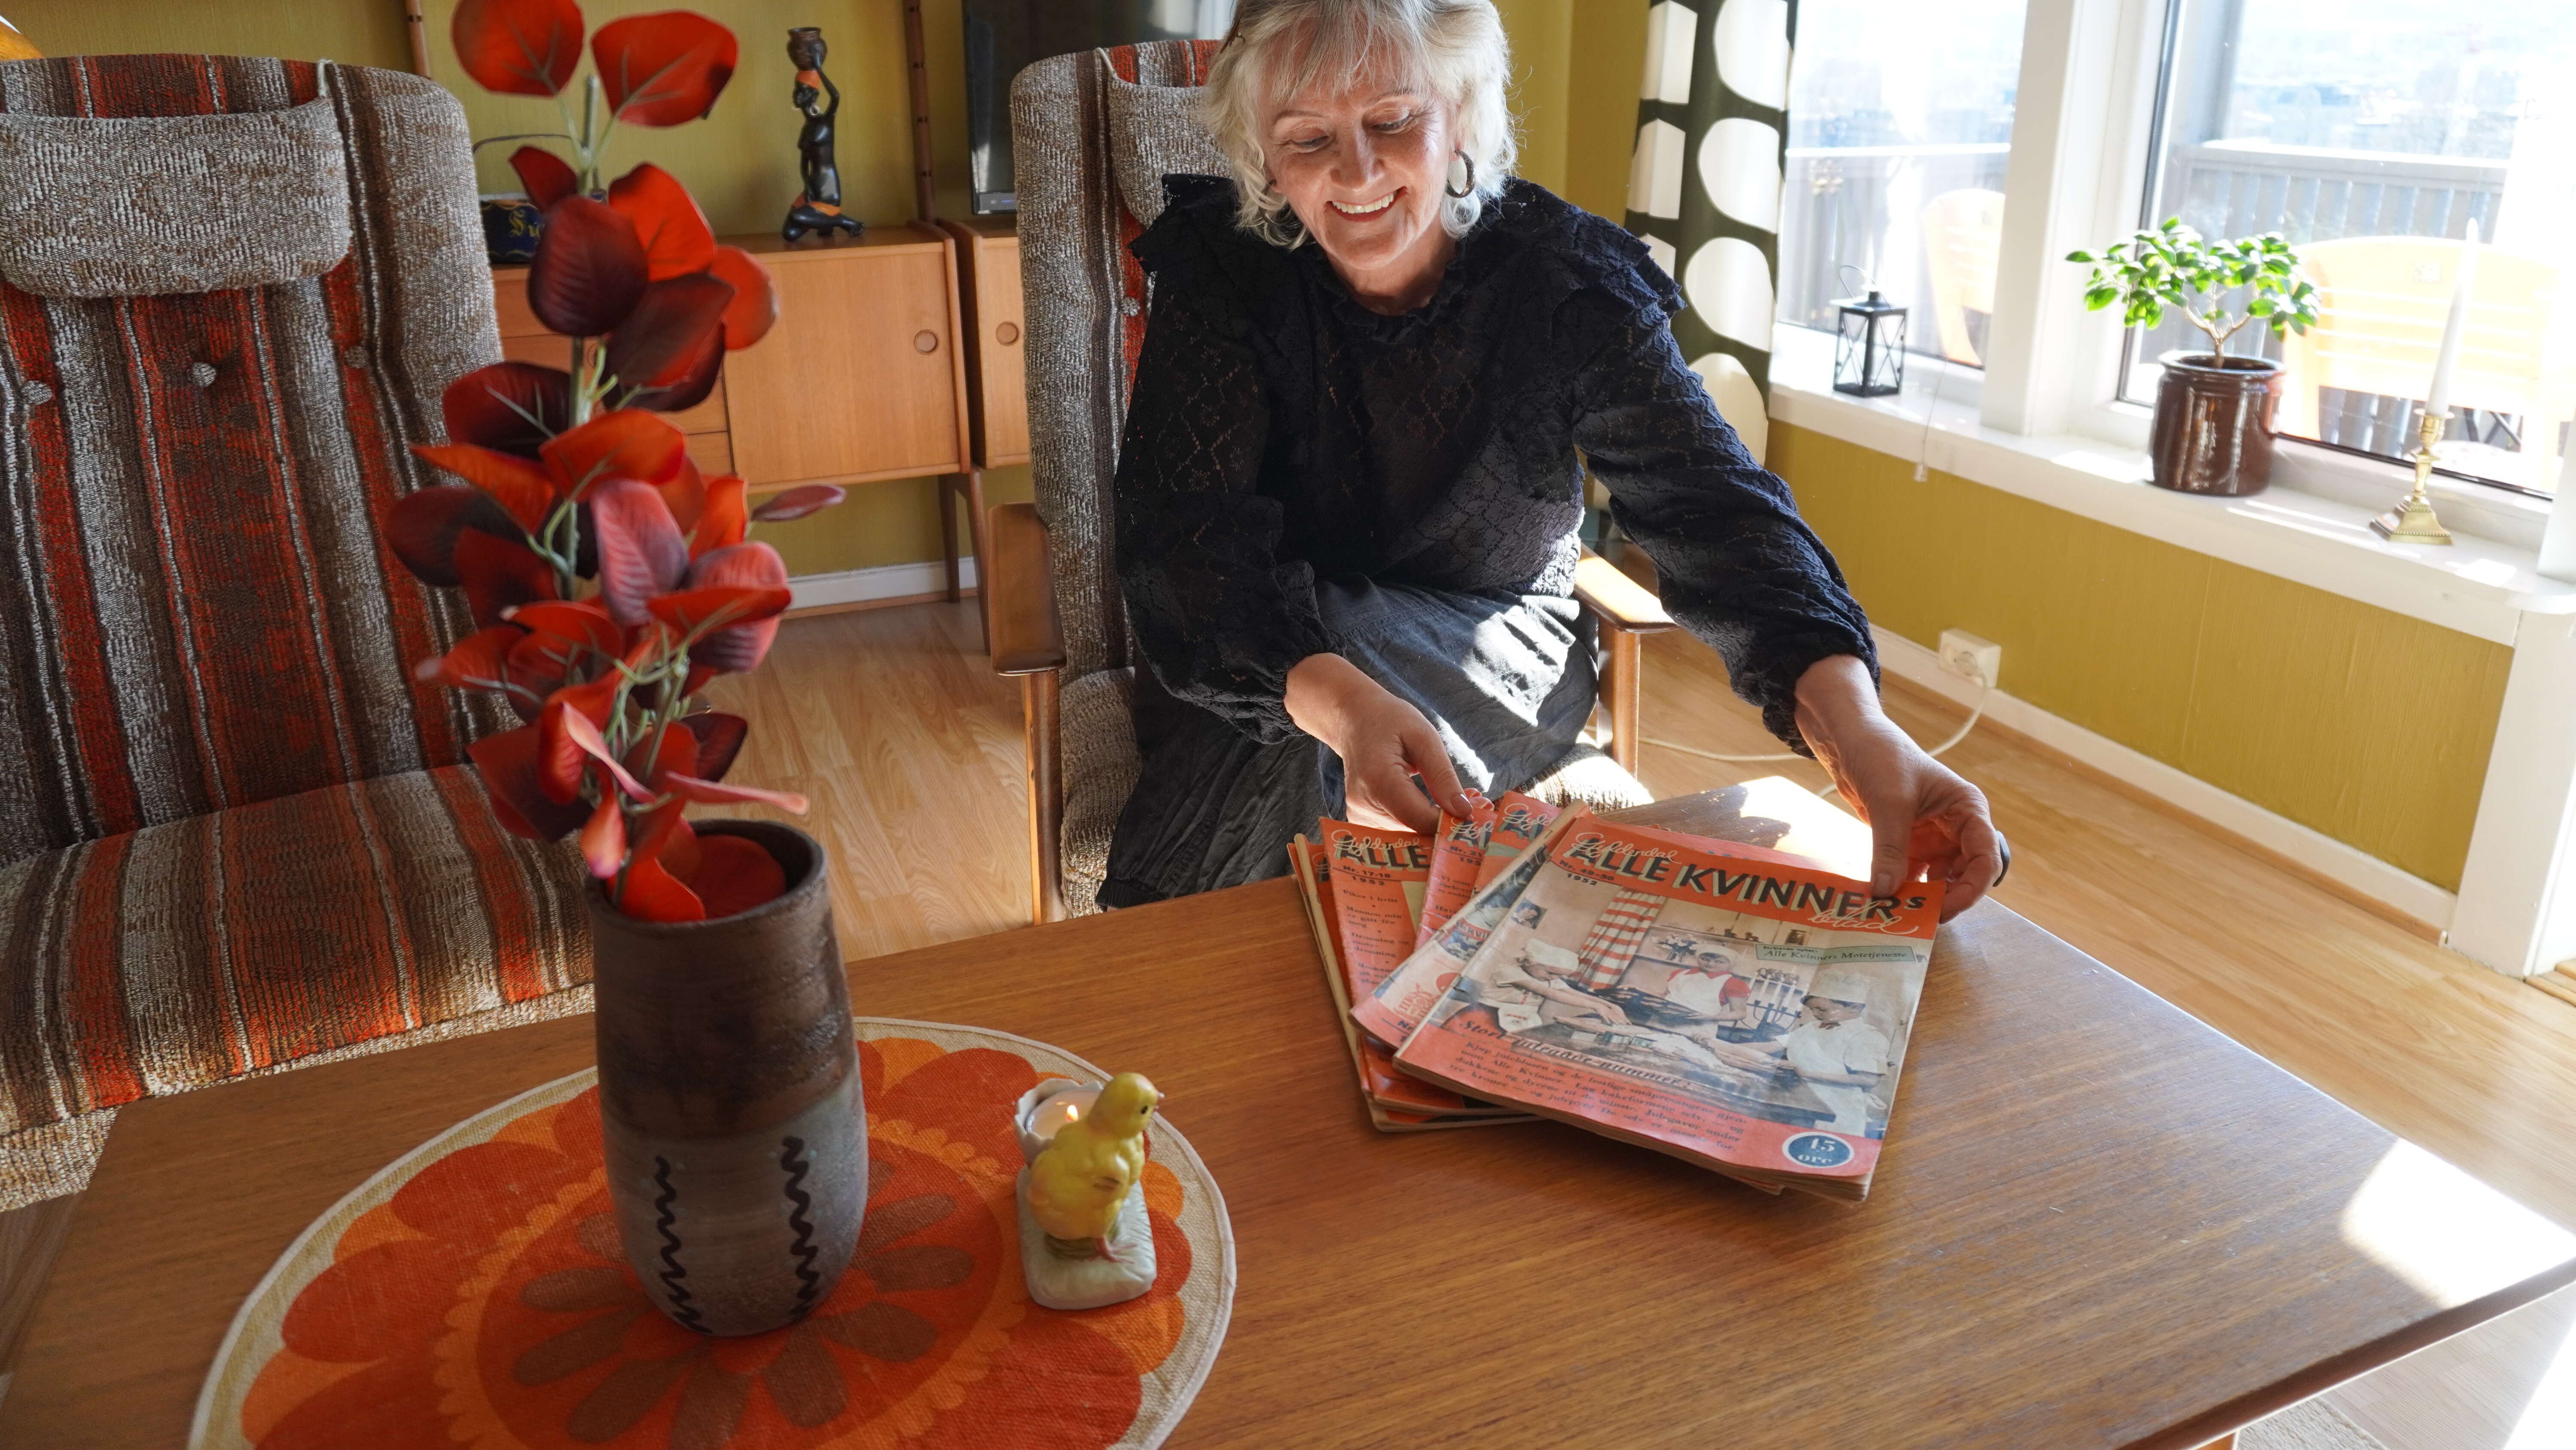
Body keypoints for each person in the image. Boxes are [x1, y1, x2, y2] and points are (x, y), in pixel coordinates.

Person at [1100, 0, 2004, 918]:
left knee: (1308, 682)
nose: (1356, 171)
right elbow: (1184, 538)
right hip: (1265, 642)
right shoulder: (1224, 268)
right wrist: (1336, 701)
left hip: (1497, 650)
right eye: (1307, 139)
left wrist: (1858, 728)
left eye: (1394, 120)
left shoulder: (1562, 280)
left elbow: (1715, 509)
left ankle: (1148, 954)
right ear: (1262, 153)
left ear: (1461, 114)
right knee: (1306, 693)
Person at [1703, 972, 1890, 1135]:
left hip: (1836, 1107)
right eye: (1812, 1009)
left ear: (1855, 1008)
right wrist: (1718, 1045)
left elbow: (1869, 1080)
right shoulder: (1812, 1028)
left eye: (1822, 1009)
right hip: (1797, 1098)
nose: (1815, 1013)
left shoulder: (1866, 1036)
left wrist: (1807, 1073)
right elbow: (1770, 1046)